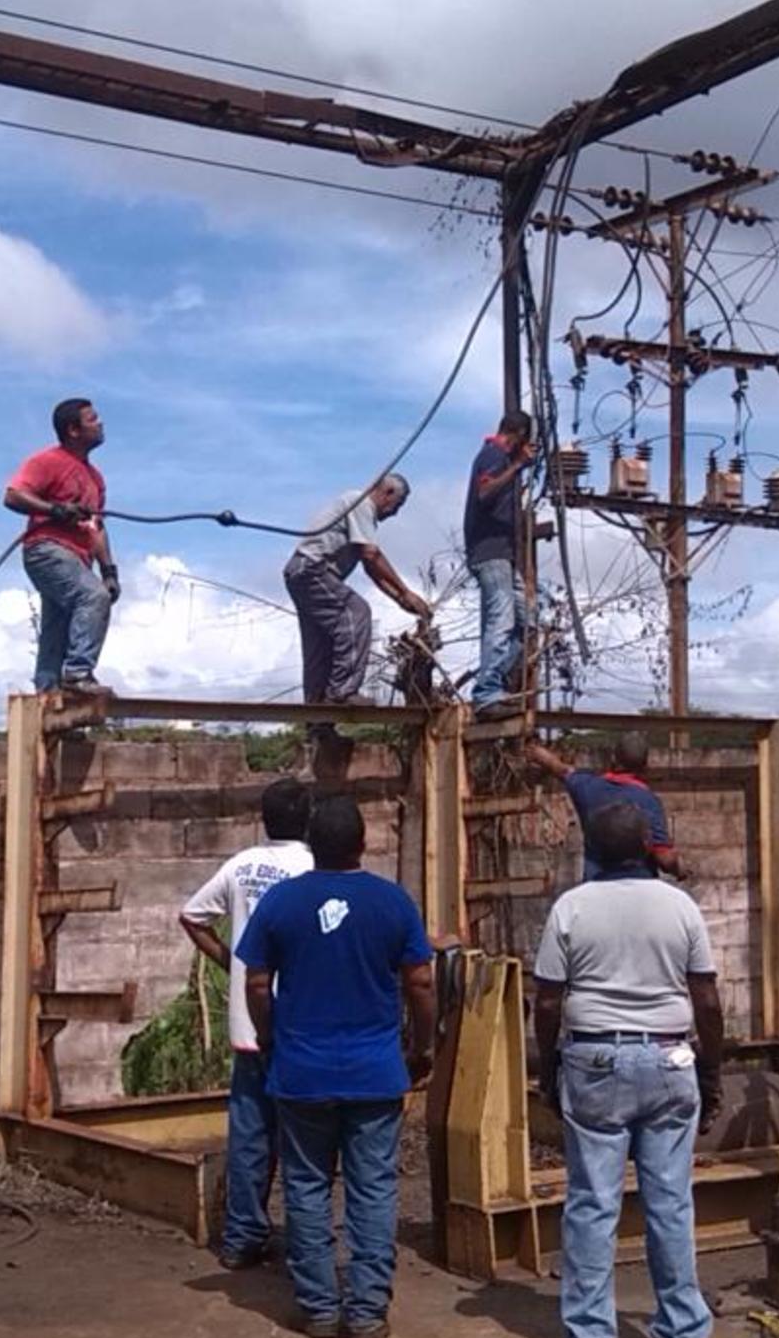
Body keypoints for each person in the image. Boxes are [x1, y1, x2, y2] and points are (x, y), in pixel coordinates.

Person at [533, 802, 726, 1338]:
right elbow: (708, 999)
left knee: (593, 1202)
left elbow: (547, 999)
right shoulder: (680, 906)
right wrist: (710, 1071)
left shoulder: (571, 907)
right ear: (647, 847)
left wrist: (550, 1066)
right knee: (670, 1201)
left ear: (592, 849)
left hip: (594, 1057)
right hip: (670, 1056)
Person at [236, 795, 436, 1338]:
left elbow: (256, 982)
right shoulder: (392, 902)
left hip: (300, 1071)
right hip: (375, 1073)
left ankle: (320, 1309)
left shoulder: (280, 902)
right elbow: (420, 982)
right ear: (362, 844)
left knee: (305, 1187)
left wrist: (271, 1038)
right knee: (372, 1192)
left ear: (311, 846)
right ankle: (368, 1313)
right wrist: (422, 1048)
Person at [178, 776, 314, 1271]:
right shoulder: (314, 870)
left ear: (264, 818)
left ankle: (242, 1238)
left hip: (248, 1027)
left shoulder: (242, 865)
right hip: (299, 1027)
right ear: (309, 820)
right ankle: (305, 1243)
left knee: (250, 1138)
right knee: (305, 1145)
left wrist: (230, 962)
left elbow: (192, 916)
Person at [283, 475, 430, 729]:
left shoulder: (358, 512)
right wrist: (406, 592)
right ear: (387, 492)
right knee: (356, 613)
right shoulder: (360, 503)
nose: (394, 513)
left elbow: (370, 568)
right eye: (398, 504)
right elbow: (371, 555)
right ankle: (342, 692)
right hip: (312, 570)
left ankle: (318, 722)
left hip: (300, 573)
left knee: (321, 645)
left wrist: (399, 600)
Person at [3, 396, 119, 698]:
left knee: (59, 624)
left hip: (78, 558)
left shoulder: (95, 478)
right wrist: (55, 509)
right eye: (92, 419)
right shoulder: (48, 461)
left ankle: (48, 693)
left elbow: (96, 527)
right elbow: (13, 496)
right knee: (93, 597)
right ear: (73, 430)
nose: (101, 423)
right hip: (46, 550)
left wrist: (109, 570)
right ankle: (78, 673)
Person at [524, 733, 687, 882]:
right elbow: (664, 858)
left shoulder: (587, 787)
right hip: (639, 890)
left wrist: (535, 751)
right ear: (645, 767)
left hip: (596, 886)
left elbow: (560, 769)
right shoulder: (649, 801)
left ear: (613, 759)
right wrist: (680, 869)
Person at [462, 411, 535, 717]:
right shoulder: (494, 454)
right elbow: (485, 491)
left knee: (527, 623)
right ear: (517, 435)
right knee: (502, 620)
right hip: (490, 553)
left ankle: (491, 680)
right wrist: (518, 465)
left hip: (503, 555)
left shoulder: (503, 461)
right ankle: (487, 693)